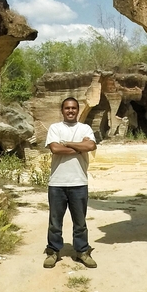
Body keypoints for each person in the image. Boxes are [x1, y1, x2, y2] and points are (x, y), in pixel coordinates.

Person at [43, 97, 97, 269]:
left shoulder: (85, 128)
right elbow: (55, 149)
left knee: (80, 222)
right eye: (67, 108)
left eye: (74, 108)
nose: (71, 111)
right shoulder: (55, 128)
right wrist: (79, 147)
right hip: (57, 183)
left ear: (78, 110)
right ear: (62, 110)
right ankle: (53, 252)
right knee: (55, 222)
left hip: (79, 182)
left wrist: (66, 143)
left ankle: (82, 251)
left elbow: (90, 146)